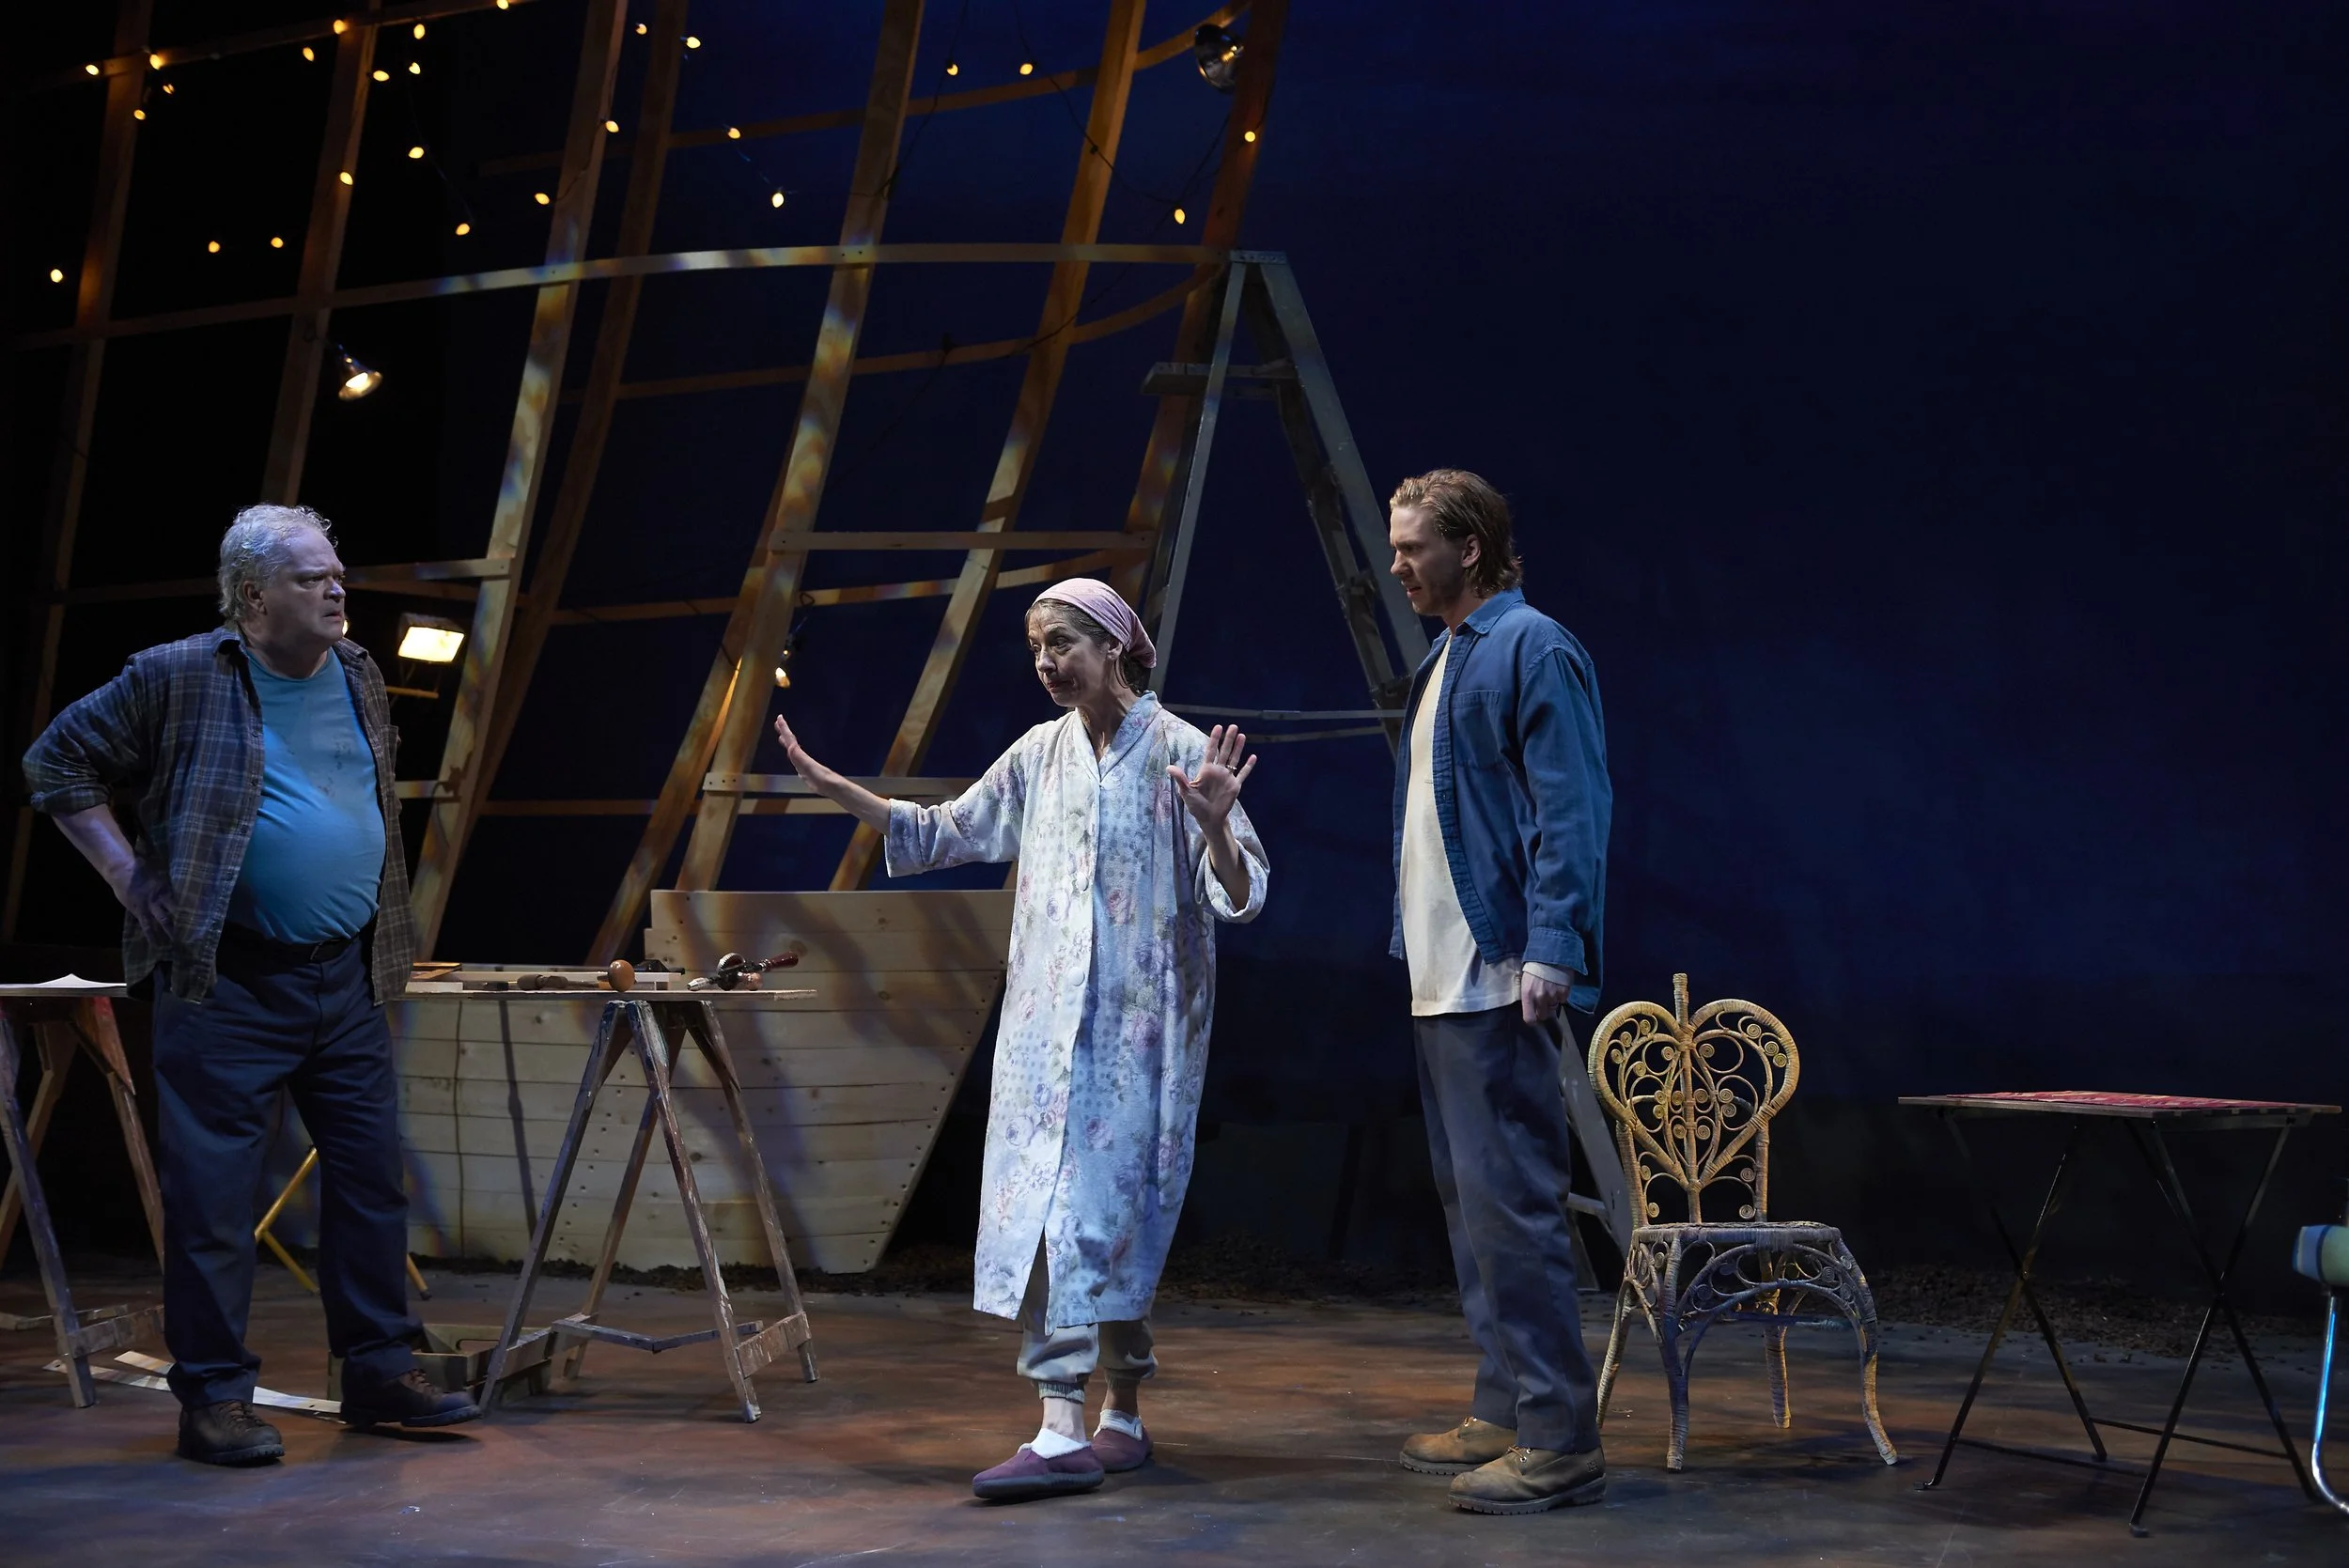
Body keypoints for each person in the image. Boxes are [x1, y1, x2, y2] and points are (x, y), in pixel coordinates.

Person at [771, 578, 1268, 1502]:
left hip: (1140, 1036)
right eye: (1036, 645)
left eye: (1064, 642)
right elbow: (950, 828)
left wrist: (1216, 829)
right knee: (1064, 1217)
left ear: (1116, 645)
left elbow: (1242, 892)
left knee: (1104, 1219)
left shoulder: (1181, 752)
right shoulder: (1040, 755)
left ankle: (1090, 1420)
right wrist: (842, 792)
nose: (1045, 661)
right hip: (1048, 1038)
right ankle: (1083, 1417)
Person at [23, 505, 474, 1467]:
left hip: (344, 977)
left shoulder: (356, 671)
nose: (336, 588)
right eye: (312, 577)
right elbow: (55, 760)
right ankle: (216, 1397)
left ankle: (379, 1369)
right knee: (215, 1203)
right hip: (227, 983)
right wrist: (120, 872)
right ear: (253, 594)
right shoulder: (181, 673)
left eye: (336, 571)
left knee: (369, 1185)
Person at [1385, 469, 1613, 1514]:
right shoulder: (1446, 656)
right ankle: (1507, 1403)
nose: (1396, 567)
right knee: (1470, 1207)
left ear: (1469, 547)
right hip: (1443, 979)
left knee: (1515, 1207)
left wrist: (1554, 943)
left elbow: (1573, 804)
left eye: (1411, 548)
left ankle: (1560, 1437)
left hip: (1499, 975)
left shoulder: (1531, 646)